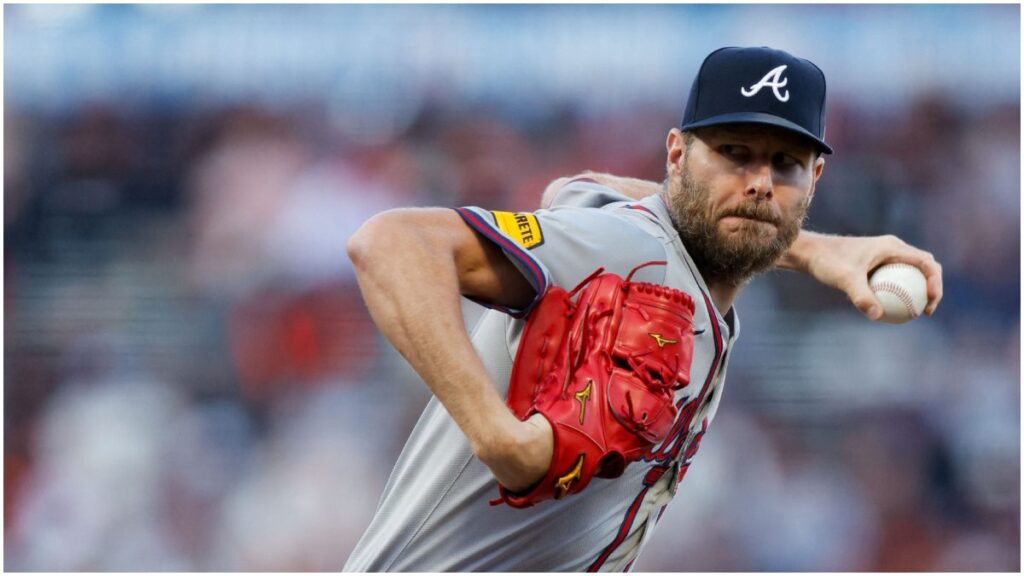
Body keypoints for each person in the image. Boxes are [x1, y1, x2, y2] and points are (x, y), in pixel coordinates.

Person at [343, 46, 942, 571]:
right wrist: (496, 435)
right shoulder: (631, 251)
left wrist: (813, 250)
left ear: (815, 179)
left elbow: (571, 189)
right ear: (676, 155)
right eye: (734, 152)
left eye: (784, 164)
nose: (759, 182)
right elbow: (391, 242)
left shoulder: (642, 239)